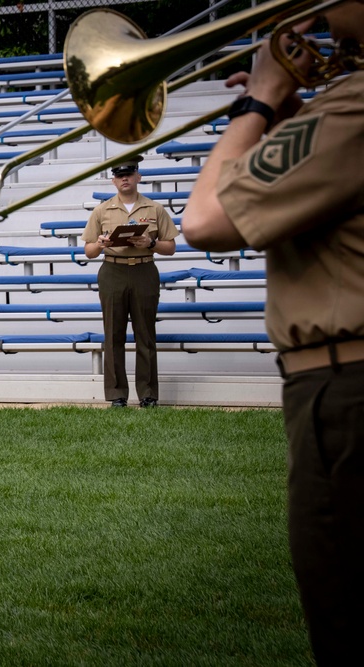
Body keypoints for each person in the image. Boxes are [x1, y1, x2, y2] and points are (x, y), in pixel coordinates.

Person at [182, 6, 364, 664]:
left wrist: (257, 104)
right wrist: (288, 119)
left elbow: (203, 219)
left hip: (346, 396)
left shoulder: (355, 107)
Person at [82, 155, 179, 408]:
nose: (124, 178)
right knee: (113, 334)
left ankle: (148, 394)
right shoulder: (102, 210)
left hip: (144, 270)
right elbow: (88, 251)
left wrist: (151, 243)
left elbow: (171, 247)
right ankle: (117, 395)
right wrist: (100, 244)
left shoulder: (154, 209)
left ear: (138, 177)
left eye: (129, 173)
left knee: (145, 333)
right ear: (113, 180)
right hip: (112, 271)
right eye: (119, 175)